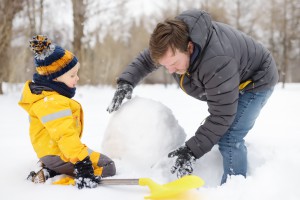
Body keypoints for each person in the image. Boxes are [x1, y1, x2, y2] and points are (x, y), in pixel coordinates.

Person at [107, 9, 278, 184]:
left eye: (173, 64)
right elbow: (146, 60)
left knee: (230, 136)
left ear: (189, 47)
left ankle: (235, 189)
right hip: (229, 78)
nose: (170, 70)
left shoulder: (216, 61)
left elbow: (222, 115)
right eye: (165, 66)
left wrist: (191, 150)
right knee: (221, 128)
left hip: (256, 80)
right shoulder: (173, 42)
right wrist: (126, 81)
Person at [19, 35, 116, 189]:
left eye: (76, 73)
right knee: (108, 166)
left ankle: (48, 169)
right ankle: (72, 179)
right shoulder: (53, 102)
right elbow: (65, 135)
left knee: (80, 157)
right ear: (55, 79)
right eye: (72, 75)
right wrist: (82, 162)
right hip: (58, 153)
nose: (77, 78)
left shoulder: (47, 97)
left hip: (50, 152)